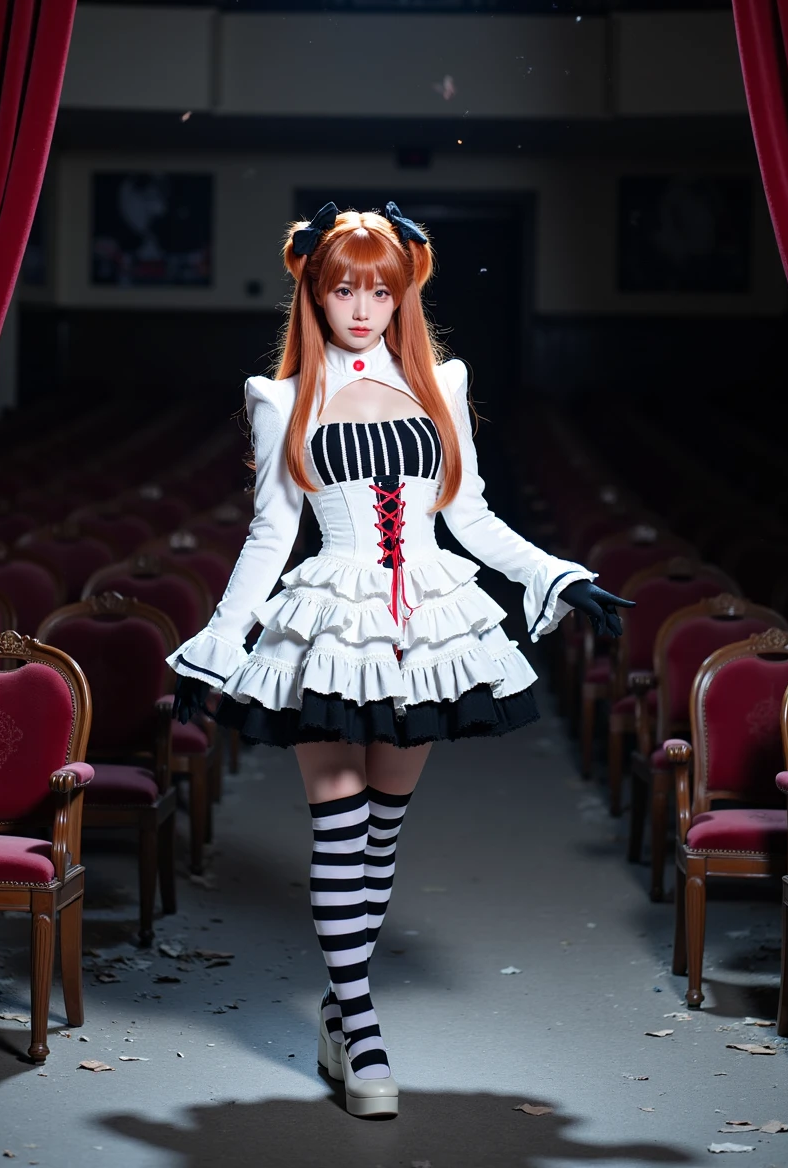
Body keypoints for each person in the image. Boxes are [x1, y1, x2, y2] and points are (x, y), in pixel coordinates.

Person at [170, 203, 630, 1119]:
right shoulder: (279, 398)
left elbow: (471, 517)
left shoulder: (441, 384)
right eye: (344, 289)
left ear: (403, 291)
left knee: (381, 836)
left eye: (380, 290)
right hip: (331, 623)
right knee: (339, 832)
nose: (363, 307)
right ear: (313, 289)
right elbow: (270, 536)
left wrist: (560, 577)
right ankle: (365, 1025)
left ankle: (341, 1020)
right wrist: (219, 647)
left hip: (423, 628)